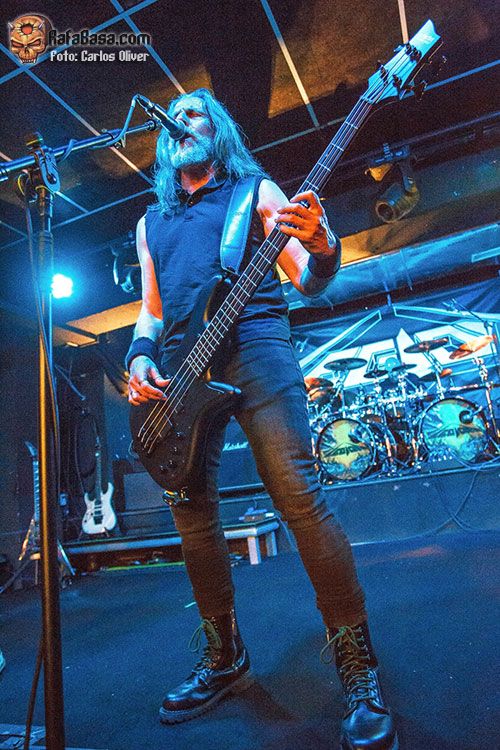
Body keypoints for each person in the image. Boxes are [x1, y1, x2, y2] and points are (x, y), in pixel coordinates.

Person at [126, 88, 398, 750]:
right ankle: (225, 659)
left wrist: (324, 243)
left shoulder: (255, 192)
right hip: (181, 371)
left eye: (194, 114)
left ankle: (356, 664)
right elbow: (151, 310)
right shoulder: (149, 222)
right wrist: (139, 356)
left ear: (216, 129)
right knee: (193, 518)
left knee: (298, 497)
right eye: (172, 119)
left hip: (255, 347)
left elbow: (309, 278)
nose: (181, 123)